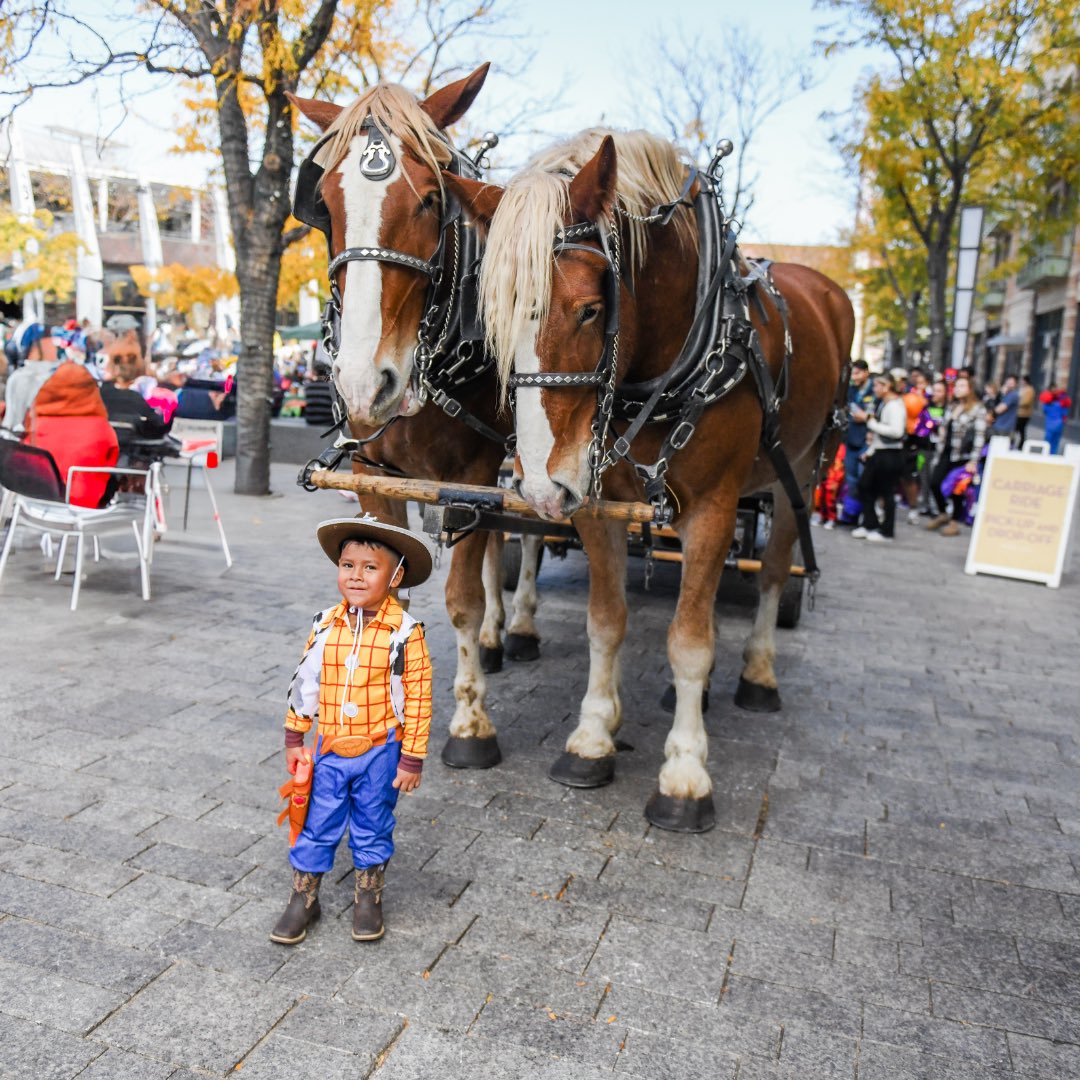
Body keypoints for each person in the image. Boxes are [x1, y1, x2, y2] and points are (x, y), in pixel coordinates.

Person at [271, 511, 435, 947]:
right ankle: (304, 897)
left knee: (373, 822)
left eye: (370, 567)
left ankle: (368, 896)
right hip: (329, 750)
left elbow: (419, 697)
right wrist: (295, 735)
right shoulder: (325, 624)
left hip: (381, 750)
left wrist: (412, 757)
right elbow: (306, 681)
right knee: (316, 822)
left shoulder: (405, 632)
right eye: (348, 566)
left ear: (396, 575)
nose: (356, 577)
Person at [23, 361, 120, 508]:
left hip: (32, 501)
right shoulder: (102, 429)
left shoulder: (35, 424)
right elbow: (109, 463)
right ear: (92, 392)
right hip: (79, 505)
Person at [927, 374, 986, 537]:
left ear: (970, 389)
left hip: (962, 455)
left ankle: (954, 522)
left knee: (957, 490)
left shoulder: (977, 409)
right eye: (956, 386)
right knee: (934, 482)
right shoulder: (952, 406)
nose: (957, 389)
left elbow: (979, 437)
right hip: (946, 452)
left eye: (962, 386)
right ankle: (943, 512)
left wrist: (974, 461)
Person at [850, 371, 906, 542]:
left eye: (876, 385)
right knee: (865, 486)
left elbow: (896, 431)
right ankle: (870, 523)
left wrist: (870, 422)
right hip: (879, 452)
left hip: (890, 454)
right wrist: (870, 451)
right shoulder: (885, 404)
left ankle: (886, 531)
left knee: (886, 492)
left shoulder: (895, 406)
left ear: (886, 386)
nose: (874, 389)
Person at [2, 324, 61, 435]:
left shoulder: (62, 372)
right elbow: (14, 423)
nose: (54, 345)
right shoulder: (22, 379)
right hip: (32, 445)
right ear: (34, 347)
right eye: (48, 341)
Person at [843, 360, 877, 513]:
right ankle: (852, 512)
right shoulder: (850, 390)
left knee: (865, 479)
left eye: (857, 373)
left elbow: (874, 414)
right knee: (851, 478)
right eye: (852, 374)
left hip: (867, 440)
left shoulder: (875, 390)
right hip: (851, 438)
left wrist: (866, 416)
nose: (854, 377)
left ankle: (867, 514)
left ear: (866, 373)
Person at [1039, 387, 1072, 455]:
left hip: (1049, 425)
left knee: (1048, 440)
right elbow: (1064, 414)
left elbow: (1045, 411)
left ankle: (1045, 453)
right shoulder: (1061, 404)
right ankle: (1053, 453)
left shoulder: (1047, 405)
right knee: (1056, 441)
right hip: (1059, 425)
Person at [990, 374, 1020, 441]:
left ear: (1015, 384)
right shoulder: (1009, 394)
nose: (1009, 384)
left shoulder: (1012, 395)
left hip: (1004, 427)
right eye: (1008, 382)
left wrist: (1002, 395)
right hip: (1001, 426)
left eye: (1011, 383)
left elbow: (999, 410)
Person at [1016, 374, 1035, 447]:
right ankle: (1020, 444)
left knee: (1020, 429)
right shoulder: (1022, 389)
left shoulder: (1029, 389)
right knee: (1020, 430)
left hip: (1024, 414)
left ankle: (1021, 444)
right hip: (1019, 413)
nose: (1021, 382)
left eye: (1022, 380)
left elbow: (1026, 402)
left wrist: (1017, 403)